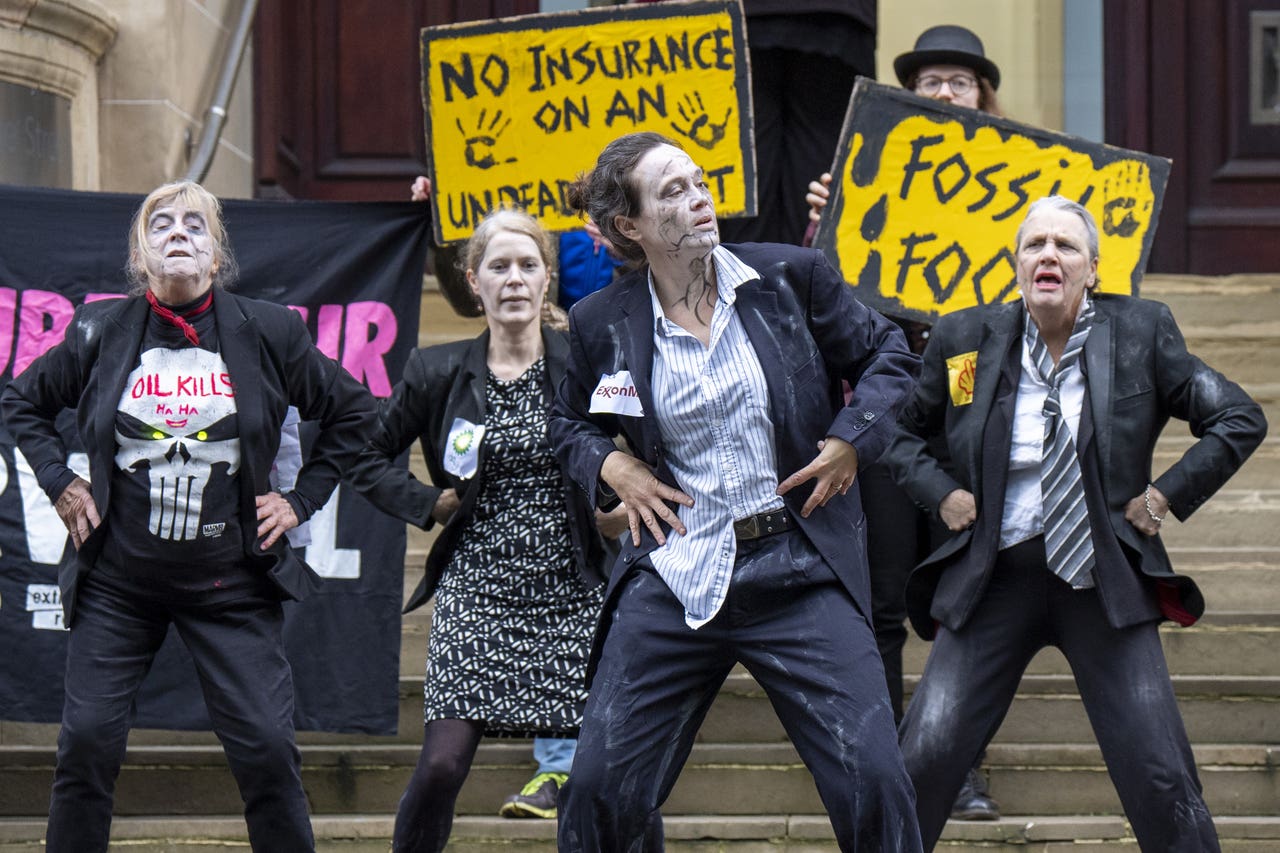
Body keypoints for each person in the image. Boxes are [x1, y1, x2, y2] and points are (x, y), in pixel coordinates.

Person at [548, 131, 923, 851]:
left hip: (799, 565)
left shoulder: (791, 277)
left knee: (875, 775)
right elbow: (565, 422)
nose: (698, 199)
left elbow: (887, 353)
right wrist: (611, 465)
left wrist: (851, 437)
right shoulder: (602, 321)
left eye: (698, 181)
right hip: (676, 566)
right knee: (597, 788)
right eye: (672, 192)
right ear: (630, 226)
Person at [1, 181, 377, 852]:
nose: (178, 233)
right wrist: (59, 480)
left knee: (265, 747)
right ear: (142, 254)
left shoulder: (268, 330)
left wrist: (301, 499)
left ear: (216, 253)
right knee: (85, 744)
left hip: (230, 586)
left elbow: (355, 413)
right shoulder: (98, 329)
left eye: (195, 225)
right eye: (162, 224)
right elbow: (21, 403)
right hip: (119, 583)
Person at [885, 196, 1267, 850]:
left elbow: (1238, 416)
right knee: (920, 759)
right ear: (1016, 266)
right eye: (1035, 245)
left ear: (1093, 269)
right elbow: (898, 433)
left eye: (1065, 246)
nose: (1049, 256)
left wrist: (1164, 496)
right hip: (993, 578)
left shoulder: (1143, 331)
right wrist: (941, 492)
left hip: (1102, 580)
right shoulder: (964, 339)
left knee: (1161, 774)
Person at [347, 206, 621, 850]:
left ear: (548, 278)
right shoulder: (436, 371)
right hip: (478, 591)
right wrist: (428, 503)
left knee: (609, 772)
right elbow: (362, 457)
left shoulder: (584, 365)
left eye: (528, 265)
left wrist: (621, 501)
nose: (515, 278)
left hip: (573, 589)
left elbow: (640, 442)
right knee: (442, 765)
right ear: (475, 282)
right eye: (499, 266)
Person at [803, 23, 1006, 819]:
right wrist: (824, 226)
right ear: (905, 99)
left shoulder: (1018, 197)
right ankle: (888, 763)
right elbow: (816, 305)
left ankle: (958, 766)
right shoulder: (860, 179)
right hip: (880, 413)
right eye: (931, 83)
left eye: (960, 81)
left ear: (985, 100)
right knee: (883, 599)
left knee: (970, 598)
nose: (946, 93)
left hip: (973, 417)